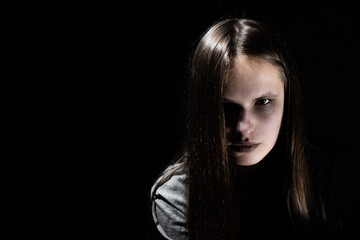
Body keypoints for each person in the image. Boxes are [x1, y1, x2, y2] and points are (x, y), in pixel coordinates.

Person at [148, 17, 333, 240]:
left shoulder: (332, 176)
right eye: (227, 107)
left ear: (288, 101)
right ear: (203, 109)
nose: (243, 128)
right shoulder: (177, 198)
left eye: (263, 102)